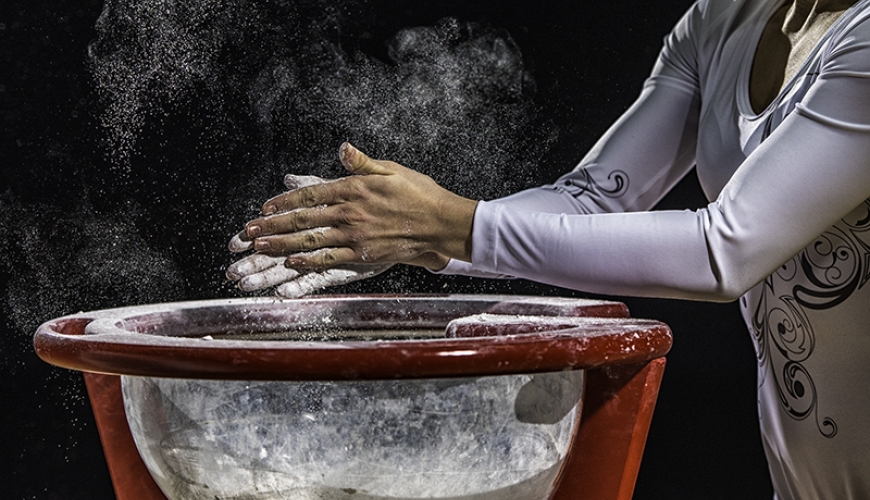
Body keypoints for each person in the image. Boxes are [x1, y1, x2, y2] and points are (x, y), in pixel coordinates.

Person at [226, 0, 870, 498]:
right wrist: (421, 238)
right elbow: (592, 200)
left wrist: (447, 223)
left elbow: (722, 249)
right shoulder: (723, 19)